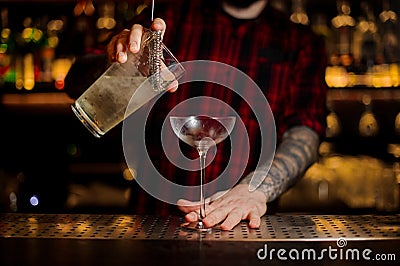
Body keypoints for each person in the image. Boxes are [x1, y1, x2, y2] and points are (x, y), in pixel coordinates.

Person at [89, 0, 327, 230]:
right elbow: (74, 81)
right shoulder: (167, 17)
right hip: (151, 222)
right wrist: (114, 61)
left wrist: (255, 189)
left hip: (240, 226)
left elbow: (305, 133)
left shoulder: (301, 42)